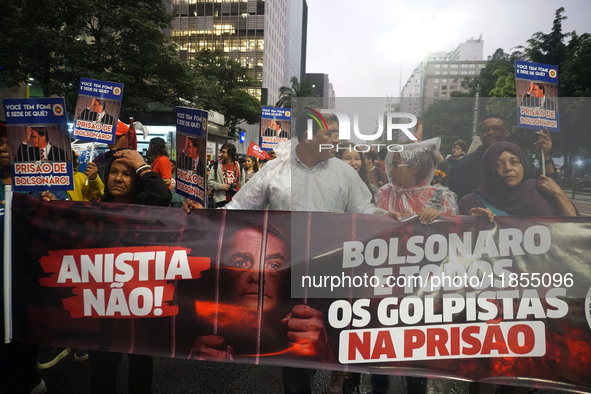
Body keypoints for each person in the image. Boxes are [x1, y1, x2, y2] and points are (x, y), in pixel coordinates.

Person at [179, 220, 331, 363]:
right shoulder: (194, 328)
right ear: (223, 271)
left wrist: (324, 354)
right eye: (241, 263)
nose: (256, 276)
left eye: (273, 265)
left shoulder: (305, 328)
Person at [88, 148, 171, 394]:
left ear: (136, 181)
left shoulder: (147, 207)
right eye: (113, 172)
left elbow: (163, 196)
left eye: (126, 174)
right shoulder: (94, 209)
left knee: (140, 358)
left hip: (139, 297)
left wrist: (143, 166)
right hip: (104, 300)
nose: (117, 178)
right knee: (102, 361)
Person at [449, 114, 557, 200]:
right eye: (485, 130)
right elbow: (453, 199)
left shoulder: (522, 162)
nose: (490, 132)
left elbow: (547, 187)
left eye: (496, 129)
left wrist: (545, 157)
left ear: (507, 132)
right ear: (480, 134)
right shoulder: (464, 165)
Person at [459, 141, 576, 218]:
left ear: (523, 164)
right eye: (499, 164)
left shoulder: (541, 190)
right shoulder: (473, 202)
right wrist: (474, 223)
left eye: (514, 162)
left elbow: (574, 229)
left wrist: (558, 193)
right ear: (489, 169)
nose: (508, 168)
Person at [376, 137, 458, 224]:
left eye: (396, 165)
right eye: (392, 165)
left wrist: (440, 217)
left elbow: (451, 230)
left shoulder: (439, 198)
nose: (391, 170)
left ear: (415, 167)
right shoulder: (384, 194)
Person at [207, 143, 243, 208]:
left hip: (235, 200)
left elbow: (242, 185)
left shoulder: (239, 166)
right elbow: (209, 181)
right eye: (221, 152)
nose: (221, 154)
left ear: (230, 153)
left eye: (224, 152)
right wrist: (221, 186)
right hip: (220, 200)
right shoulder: (217, 165)